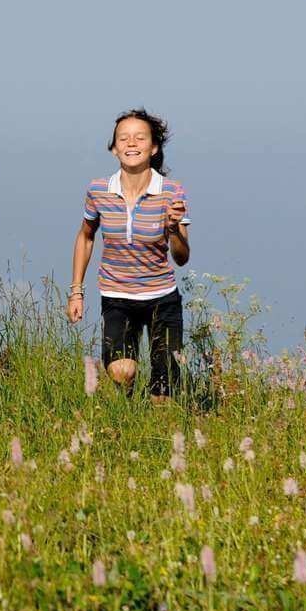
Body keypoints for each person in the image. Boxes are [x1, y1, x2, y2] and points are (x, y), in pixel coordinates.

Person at [65, 109, 190, 402]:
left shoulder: (171, 191)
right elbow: (85, 236)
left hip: (162, 298)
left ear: (154, 147)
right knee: (122, 372)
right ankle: (129, 407)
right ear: (113, 148)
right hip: (117, 296)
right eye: (123, 138)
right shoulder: (98, 190)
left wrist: (173, 230)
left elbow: (182, 257)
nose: (131, 144)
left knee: (163, 397)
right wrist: (76, 292)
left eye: (140, 138)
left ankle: (155, 412)